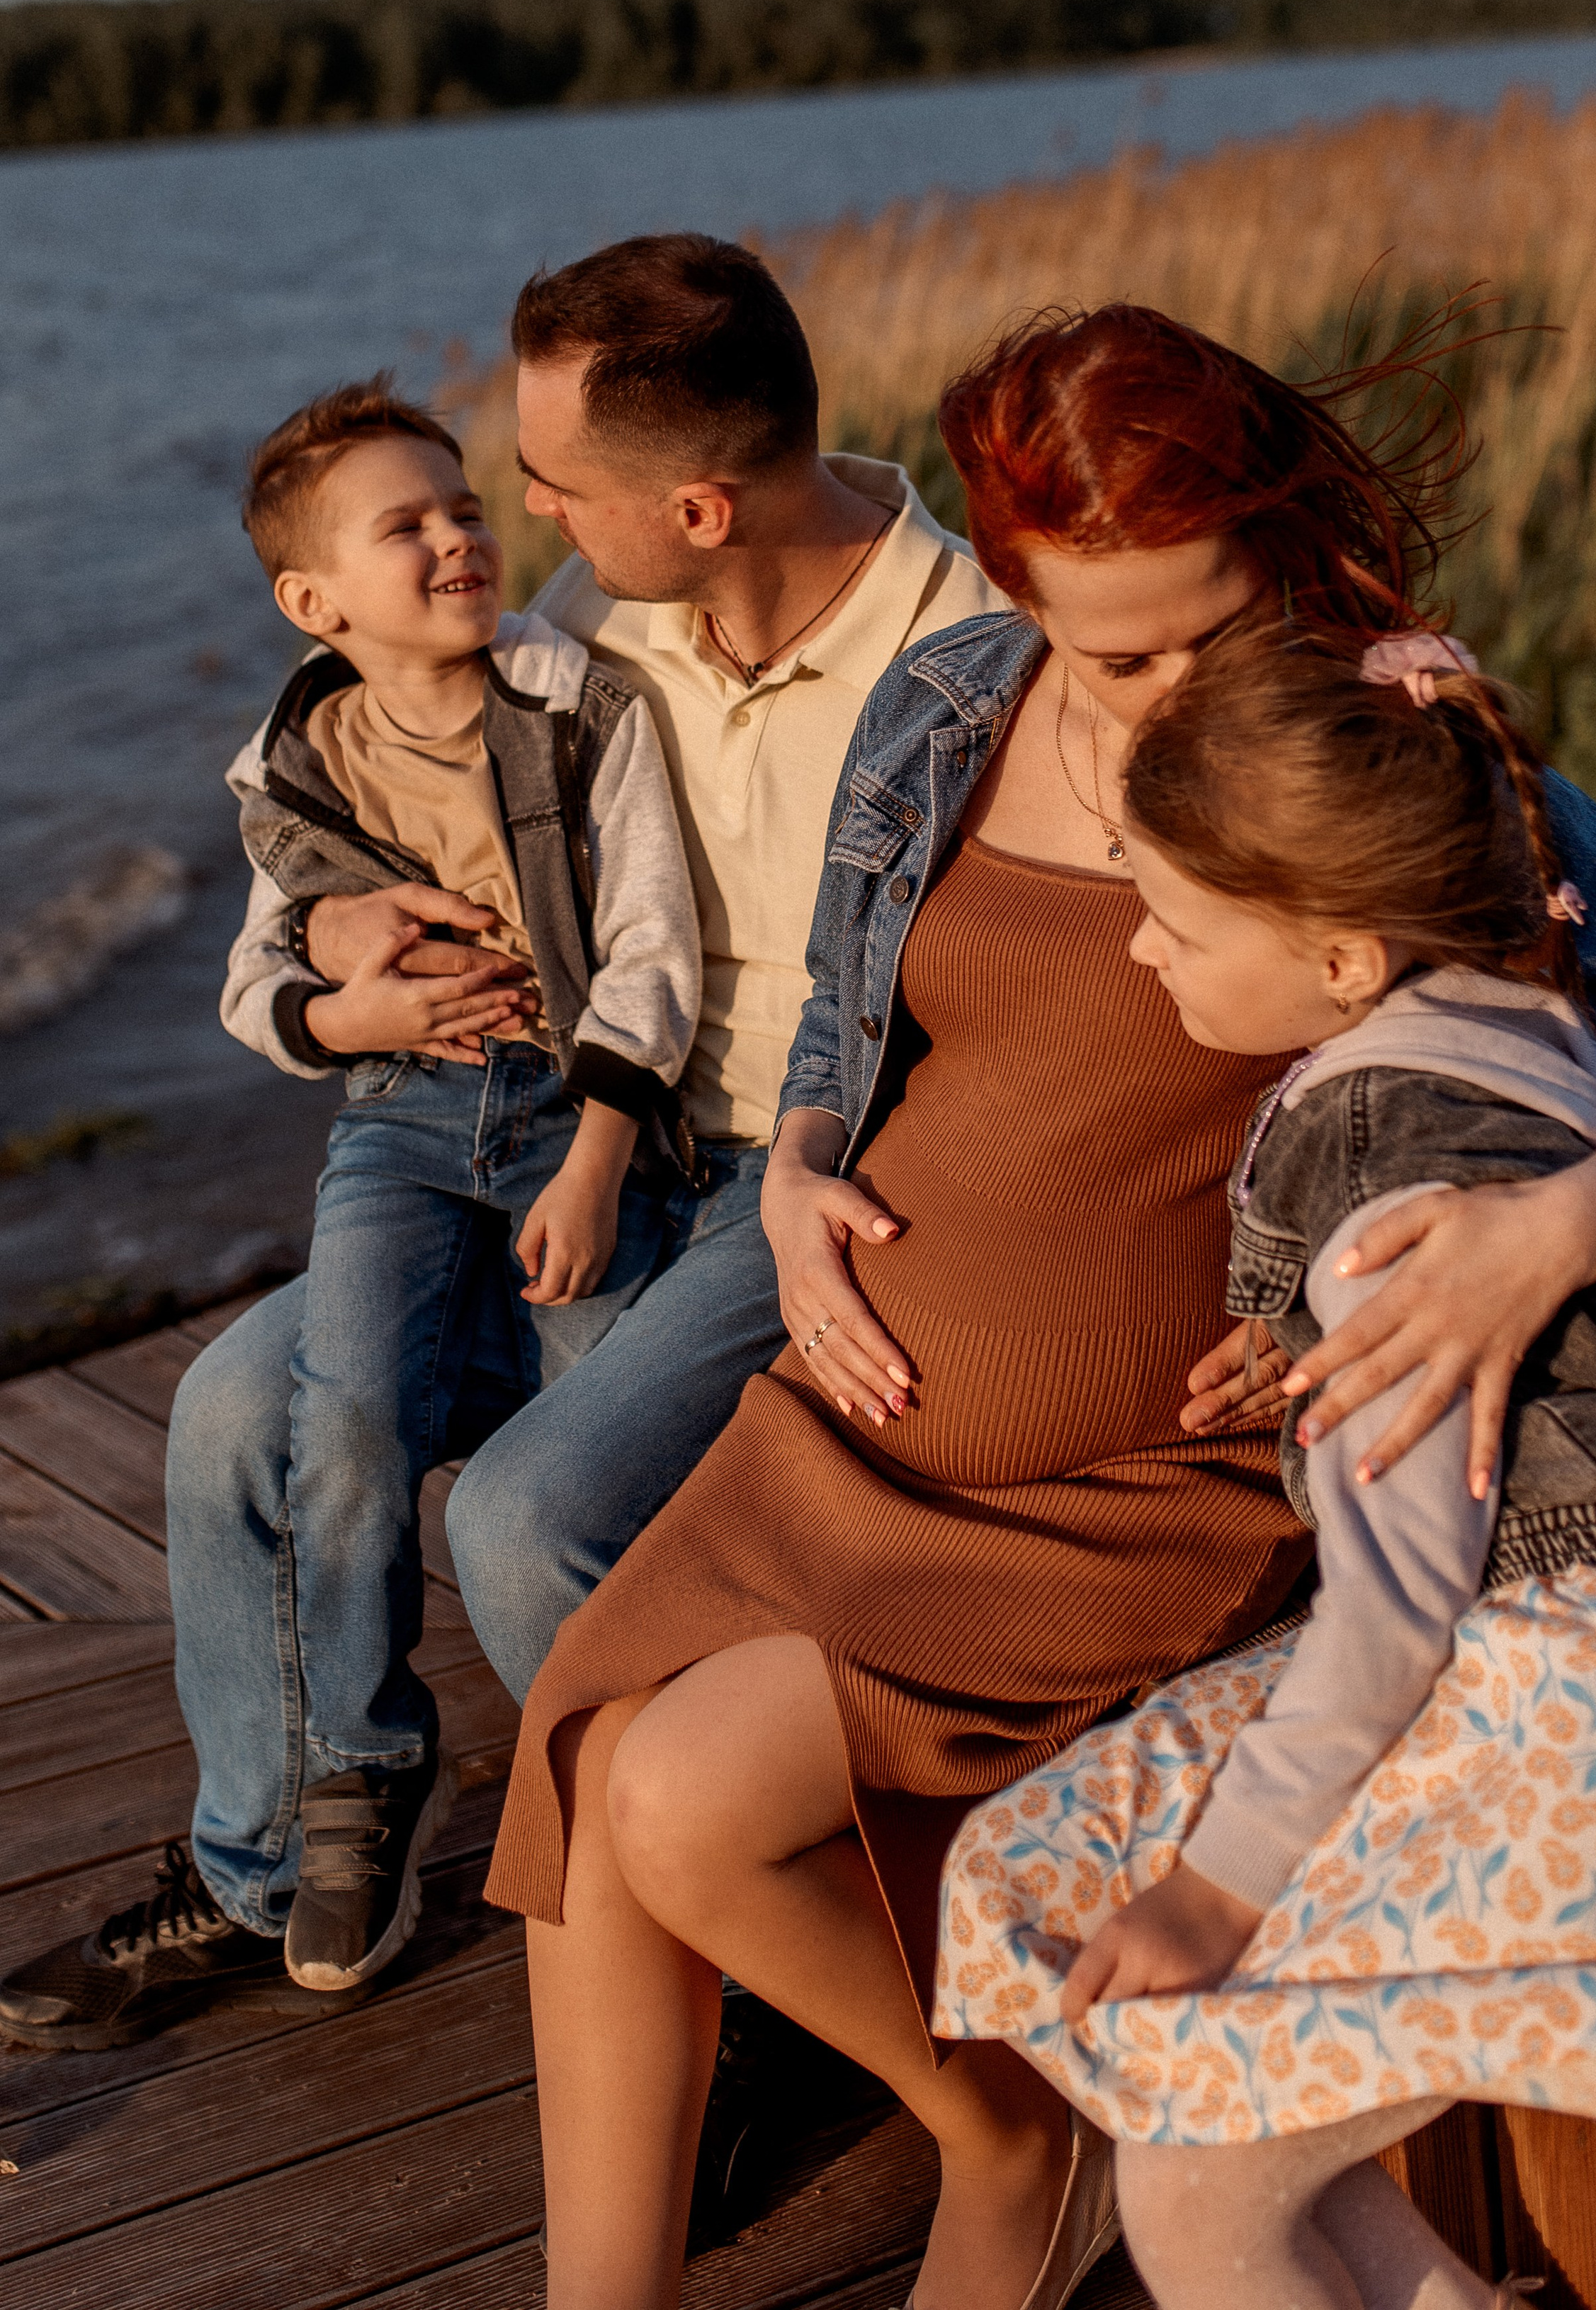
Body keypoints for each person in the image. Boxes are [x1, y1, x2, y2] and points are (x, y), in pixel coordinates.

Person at [477, 303, 1596, 2310]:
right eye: (1121, 644)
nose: (1179, 678)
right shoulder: (945, 698)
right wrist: (804, 1170)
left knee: (686, 1795)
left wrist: (1554, 1235)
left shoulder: (1359, 741)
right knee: (585, 1755)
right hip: (845, 1423)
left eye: (1214, 614)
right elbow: (851, 1018)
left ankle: (1006, 2129)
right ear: (1013, 587)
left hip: (1142, 1476)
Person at [0, 235, 997, 2054]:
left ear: (695, 502)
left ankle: (752, 1965)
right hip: (544, 1136)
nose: (517, 516)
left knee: (536, 1506)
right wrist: (327, 964)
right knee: (234, 1410)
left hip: (782, 1183)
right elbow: (358, 850)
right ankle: (271, 1866)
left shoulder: (964, 662)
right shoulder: (591, 619)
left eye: (544, 483)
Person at [936, 621, 1596, 2310]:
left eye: (1178, 920)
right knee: (1206, 2150)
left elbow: (1396, 1604)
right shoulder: (1523, 1022)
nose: (1138, 946)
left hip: (1578, 1737)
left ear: (1342, 960)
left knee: (1187, 2180)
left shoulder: (1380, 1158)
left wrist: (1212, 1891)